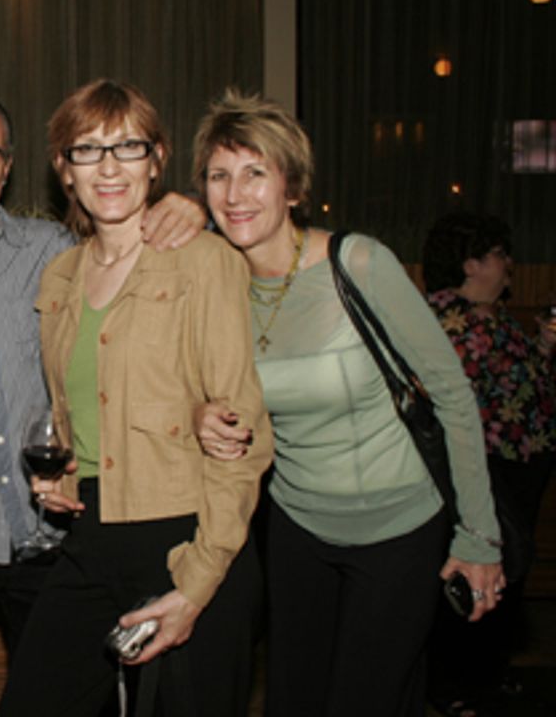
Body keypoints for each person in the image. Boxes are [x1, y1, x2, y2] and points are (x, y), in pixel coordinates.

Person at [0, 91, 204, 716]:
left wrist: (189, 207)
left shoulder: (56, 251)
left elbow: (135, 245)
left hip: (56, 538)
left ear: (8, 168)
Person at [192, 90, 504, 716]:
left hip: (398, 530)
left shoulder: (356, 263)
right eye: (219, 176)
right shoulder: (215, 281)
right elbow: (205, 383)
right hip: (297, 530)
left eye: (255, 173)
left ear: (292, 187)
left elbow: (451, 394)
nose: (235, 193)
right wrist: (200, 411)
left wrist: (479, 537)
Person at [0, 80, 272, 716]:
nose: (109, 166)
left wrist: (198, 583)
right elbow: (76, 414)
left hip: (191, 536)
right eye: (87, 150)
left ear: (156, 159)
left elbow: (244, 438)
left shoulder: (205, 261)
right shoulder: (59, 277)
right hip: (90, 537)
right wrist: (63, 475)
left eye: (127, 146)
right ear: (64, 169)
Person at [423, 212, 554, 714]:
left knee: (503, 575)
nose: (509, 264)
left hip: (518, 466)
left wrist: (544, 348)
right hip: (484, 472)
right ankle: (454, 685)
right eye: (499, 254)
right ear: (470, 263)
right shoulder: (453, 322)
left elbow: (521, 384)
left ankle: (483, 675)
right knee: (472, 576)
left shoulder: (489, 316)